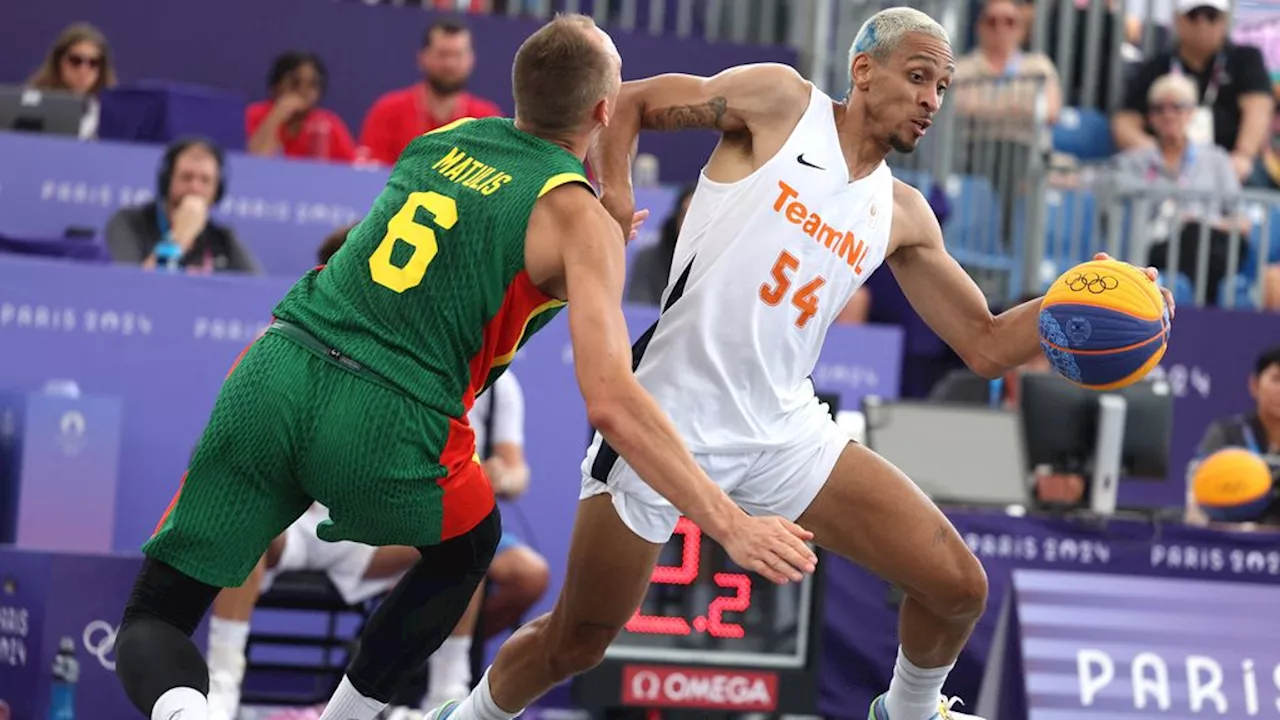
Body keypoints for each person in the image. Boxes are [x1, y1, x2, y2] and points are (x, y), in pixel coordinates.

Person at [434, 9, 1175, 720]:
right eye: (919, 77)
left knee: (956, 588)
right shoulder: (781, 103)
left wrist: (1078, 302)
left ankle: (909, 713)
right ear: (864, 69)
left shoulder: (905, 212)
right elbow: (626, 102)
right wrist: (616, 192)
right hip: (664, 420)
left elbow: (983, 342)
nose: (931, 99)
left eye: (942, 87)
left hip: (785, 432)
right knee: (577, 641)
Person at [112, 14, 810, 720]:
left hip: (277, 365)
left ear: (518, 92)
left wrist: (600, 220)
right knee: (467, 548)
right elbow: (611, 401)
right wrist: (728, 521)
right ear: (604, 111)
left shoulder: (438, 140)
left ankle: (188, 713)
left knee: (156, 616)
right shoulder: (579, 221)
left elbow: (465, 241)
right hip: (389, 413)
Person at [104, 137, 261, 275]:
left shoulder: (222, 238)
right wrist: (179, 237)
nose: (195, 188)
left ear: (217, 191)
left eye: (205, 180)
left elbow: (264, 296)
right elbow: (131, 290)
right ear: (167, 181)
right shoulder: (129, 223)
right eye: (186, 177)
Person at [358, 17, 503, 166]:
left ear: (471, 60)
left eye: (457, 55)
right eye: (442, 54)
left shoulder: (487, 119)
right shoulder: (388, 111)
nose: (450, 64)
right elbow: (371, 175)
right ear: (423, 58)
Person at [246, 51, 358, 163]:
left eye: (312, 85)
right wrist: (277, 115)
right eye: (295, 83)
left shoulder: (329, 125)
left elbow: (351, 171)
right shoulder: (254, 115)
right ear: (275, 86)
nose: (303, 91)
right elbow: (252, 163)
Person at [26, 22, 117, 140]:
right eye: (76, 60)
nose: (83, 70)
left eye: (93, 63)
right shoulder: (33, 103)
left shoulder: (108, 114)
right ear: (59, 61)